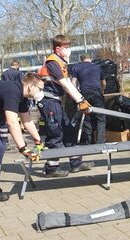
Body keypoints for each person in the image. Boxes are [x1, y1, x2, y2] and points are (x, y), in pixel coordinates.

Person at [37, 34, 94, 177]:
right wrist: (80, 101)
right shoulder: (52, 62)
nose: (69, 50)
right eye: (66, 47)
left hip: (56, 101)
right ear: (58, 49)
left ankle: (76, 163)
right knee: (55, 134)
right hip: (49, 102)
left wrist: (82, 100)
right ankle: (51, 169)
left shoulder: (61, 62)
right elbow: (64, 84)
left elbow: (68, 84)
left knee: (69, 130)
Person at [0, 73, 46, 202]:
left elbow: (27, 120)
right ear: (31, 86)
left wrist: (38, 140)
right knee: (0, 147)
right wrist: (23, 149)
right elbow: (12, 122)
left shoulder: (22, 96)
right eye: (40, 89)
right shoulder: (12, 90)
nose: (41, 92)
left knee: (1, 147)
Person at [70, 53, 107, 144]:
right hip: (96, 94)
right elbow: (104, 83)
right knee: (101, 118)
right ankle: (100, 141)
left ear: (81, 59)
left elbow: (73, 82)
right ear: (91, 58)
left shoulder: (76, 67)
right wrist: (102, 92)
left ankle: (89, 141)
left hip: (84, 94)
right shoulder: (98, 68)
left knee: (86, 116)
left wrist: (76, 94)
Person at [0, 60, 24, 148]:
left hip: (3, 97)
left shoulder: (5, 73)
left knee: (3, 120)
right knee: (14, 119)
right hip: (14, 96)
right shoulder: (18, 73)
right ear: (17, 65)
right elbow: (21, 84)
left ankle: (4, 141)